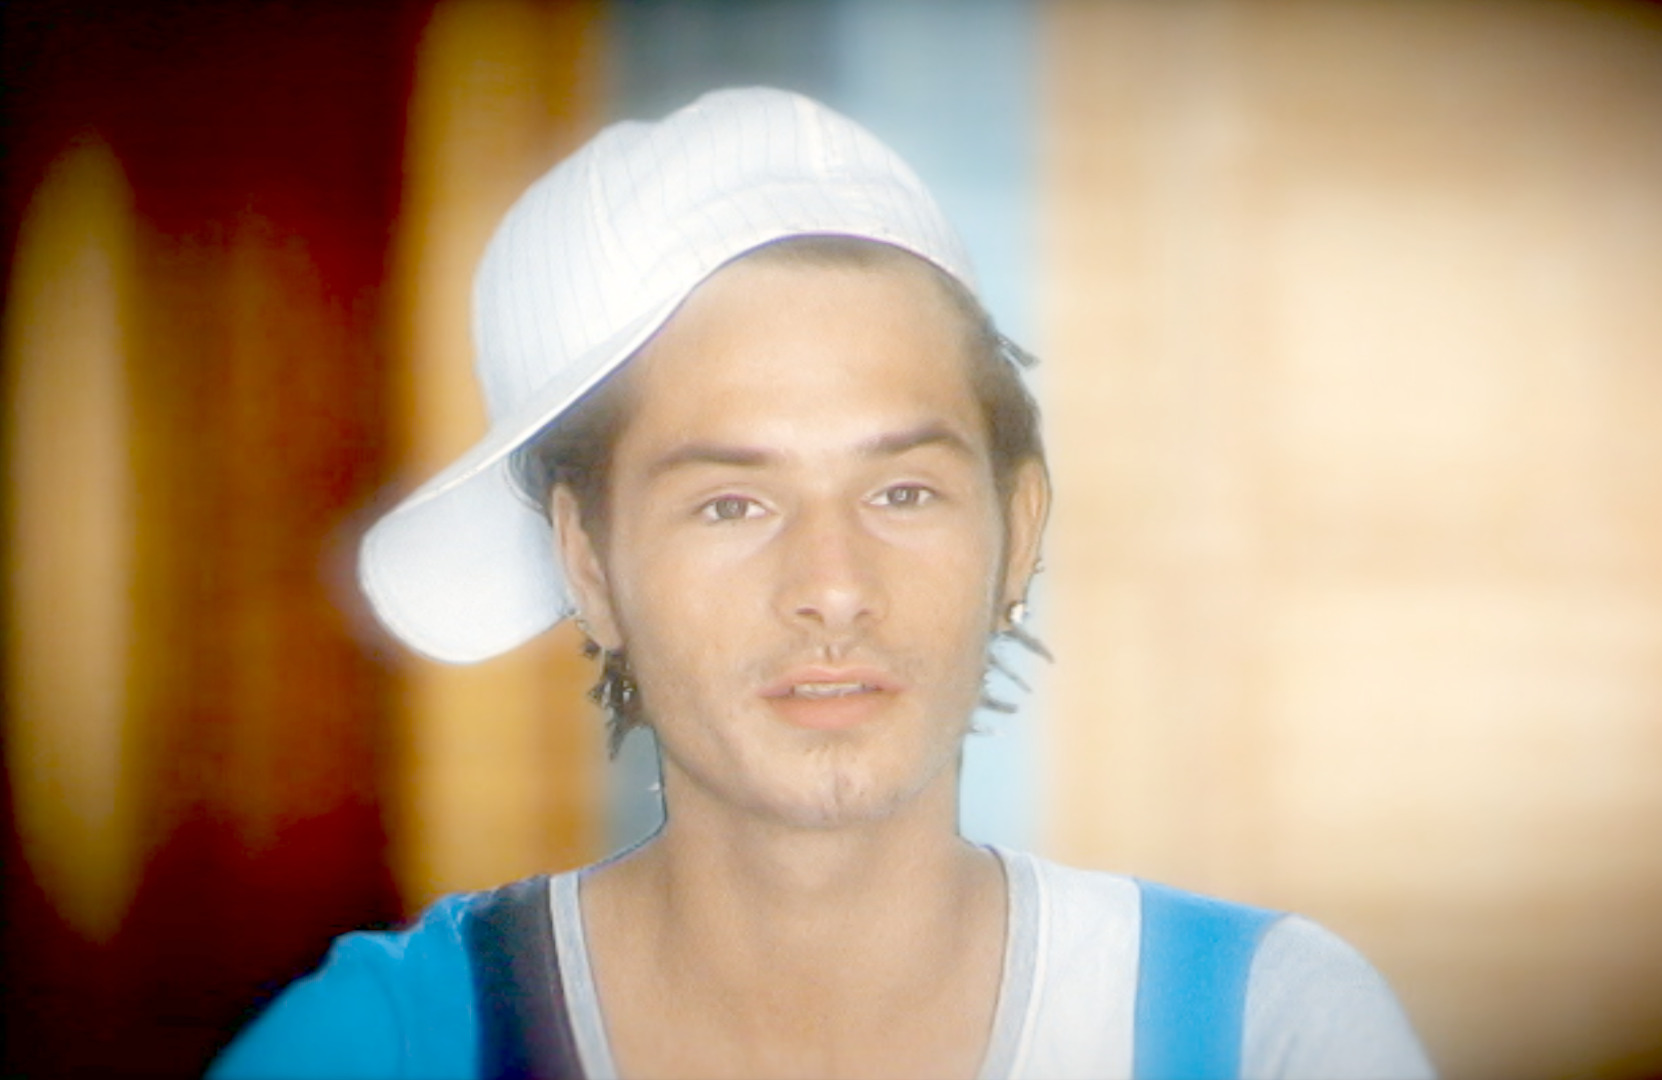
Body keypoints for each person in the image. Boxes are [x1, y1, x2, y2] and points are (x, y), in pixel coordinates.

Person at [211, 87, 1434, 1080]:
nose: (834, 588)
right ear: (588, 564)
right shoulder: (387, 1047)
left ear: (1017, 530)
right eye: (731, 504)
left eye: (901, 492)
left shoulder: (1268, 1031)